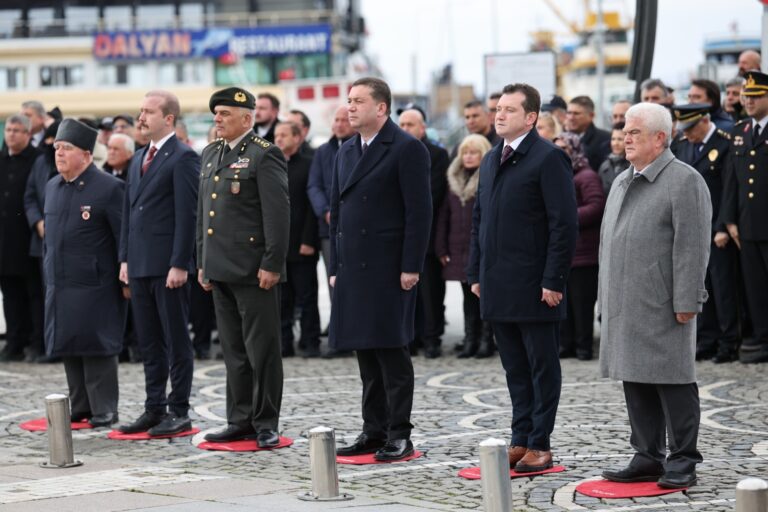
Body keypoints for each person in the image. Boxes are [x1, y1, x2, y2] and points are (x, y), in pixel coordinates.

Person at [599, 102, 711, 489]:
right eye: (625, 131)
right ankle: (647, 455)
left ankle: (683, 460)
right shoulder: (621, 180)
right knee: (635, 378)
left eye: (634, 132)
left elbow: (692, 248)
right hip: (626, 301)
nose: (625, 138)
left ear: (659, 138)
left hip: (663, 302)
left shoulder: (684, 180)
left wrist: (687, 301)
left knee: (674, 381)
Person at [467, 83, 578, 472]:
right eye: (497, 108)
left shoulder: (548, 158)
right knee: (514, 367)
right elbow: (481, 218)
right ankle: (520, 437)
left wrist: (554, 279)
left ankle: (540, 443)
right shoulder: (491, 157)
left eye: (509, 110)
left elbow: (563, 224)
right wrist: (476, 272)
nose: (499, 115)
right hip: (498, 281)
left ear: (531, 117)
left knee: (541, 366)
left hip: (535, 285)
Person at [331, 77, 432, 461]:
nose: (350, 107)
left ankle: (399, 433)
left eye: (358, 101)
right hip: (354, 266)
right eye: (349, 100)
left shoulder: (406, 148)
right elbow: (338, 213)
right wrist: (337, 263)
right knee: (366, 355)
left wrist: (411, 266)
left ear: (381, 108)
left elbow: (418, 214)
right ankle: (372, 429)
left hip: (390, 267)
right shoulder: (346, 151)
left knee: (392, 353)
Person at [197, 87, 289, 448]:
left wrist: (272, 263)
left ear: (247, 118)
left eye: (224, 114)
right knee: (233, 350)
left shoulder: (264, 155)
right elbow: (204, 216)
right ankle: (239, 419)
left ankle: (266, 421)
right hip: (220, 267)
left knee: (262, 350)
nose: (217, 119)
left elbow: (278, 216)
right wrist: (203, 262)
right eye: (216, 114)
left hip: (253, 270)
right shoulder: (210, 154)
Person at [116, 90, 200, 436]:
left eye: (148, 112)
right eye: (140, 111)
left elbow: (188, 215)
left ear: (168, 118)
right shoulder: (138, 158)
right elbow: (128, 214)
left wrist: (180, 263)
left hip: (168, 267)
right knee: (149, 341)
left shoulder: (183, 157)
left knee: (176, 338)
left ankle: (179, 408)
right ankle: (154, 407)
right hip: (139, 264)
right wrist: (124, 258)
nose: (141, 117)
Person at [43, 118, 125, 427]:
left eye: (67, 148)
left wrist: (124, 272)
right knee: (69, 341)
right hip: (60, 280)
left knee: (96, 344)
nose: (59, 153)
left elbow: (122, 235)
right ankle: (80, 405)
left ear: (87, 154)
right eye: (57, 148)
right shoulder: (52, 186)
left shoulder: (109, 187)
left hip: (96, 281)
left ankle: (104, 407)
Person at [672, 104, 739, 363]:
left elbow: (730, 188)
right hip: (692, 229)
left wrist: (723, 226)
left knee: (723, 289)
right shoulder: (684, 144)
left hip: (715, 229)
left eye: (690, 129)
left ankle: (728, 342)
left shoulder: (724, 143)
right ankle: (707, 340)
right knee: (701, 287)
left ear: (704, 121)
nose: (687, 135)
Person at [720, 71, 768, 364]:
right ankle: (762, 338)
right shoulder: (740, 131)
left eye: (756, 96)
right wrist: (729, 219)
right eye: (746, 96)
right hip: (747, 224)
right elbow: (732, 179)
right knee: (755, 287)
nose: (749, 101)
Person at [434, 134, 493, 358]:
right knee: (467, 299)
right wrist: (441, 247)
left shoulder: (488, 179)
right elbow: (444, 217)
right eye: (465, 153)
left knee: (483, 297)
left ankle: (487, 340)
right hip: (458, 248)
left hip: (480, 247)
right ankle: (470, 339)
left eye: (473, 152)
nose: (468, 157)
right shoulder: (454, 181)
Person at [398, 107, 449, 358]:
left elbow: (433, 193)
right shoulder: (395, 152)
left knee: (430, 291)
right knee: (407, 292)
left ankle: (432, 338)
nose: (405, 129)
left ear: (422, 128)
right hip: (400, 234)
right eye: (402, 124)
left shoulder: (437, 154)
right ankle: (413, 337)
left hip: (428, 234)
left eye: (410, 124)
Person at [306, 105, 355, 358]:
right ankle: (340, 339)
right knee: (334, 281)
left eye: (344, 119)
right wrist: (326, 210)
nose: (339, 124)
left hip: (357, 228)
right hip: (329, 229)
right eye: (335, 119)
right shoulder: (323, 151)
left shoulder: (360, 148)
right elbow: (314, 185)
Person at [553, 132, 605, 361]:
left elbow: (596, 206)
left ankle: (583, 347)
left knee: (582, 305)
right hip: (566, 253)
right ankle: (567, 345)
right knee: (564, 305)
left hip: (584, 253)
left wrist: (567, 218)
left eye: (564, 148)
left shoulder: (586, 176)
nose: (559, 152)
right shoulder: (558, 174)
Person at [274, 121, 321, 358]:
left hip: (302, 242)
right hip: (278, 245)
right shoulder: (271, 165)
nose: (279, 139)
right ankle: (284, 343)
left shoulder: (309, 164)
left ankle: (310, 341)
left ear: (297, 138)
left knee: (307, 296)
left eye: (284, 135)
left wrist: (309, 240)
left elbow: (313, 207)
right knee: (282, 299)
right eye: (276, 135)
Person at [0, 115, 41, 362]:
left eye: (17, 130)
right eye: (8, 130)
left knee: (33, 293)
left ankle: (35, 342)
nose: (11, 134)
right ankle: (14, 342)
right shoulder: (1, 159)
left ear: (27, 134)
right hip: (4, 239)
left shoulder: (36, 160)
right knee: (10, 293)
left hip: (28, 237)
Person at [23, 120, 61, 363]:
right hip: (42, 240)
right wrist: (37, 221)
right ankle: (49, 345)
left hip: (66, 243)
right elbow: (29, 197)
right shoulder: (40, 162)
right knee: (45, 296)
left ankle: (61, 346)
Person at [565, 96, 611, 172]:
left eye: (576, 113)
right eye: (569, 113)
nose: (571, 117)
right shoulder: (561, 139)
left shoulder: (605, 139)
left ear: (591, 115)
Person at [598, 122, 630, 195]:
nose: (615, 143)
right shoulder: (604, 167)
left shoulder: (634, 165)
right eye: (613, 139)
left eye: (620, 139)